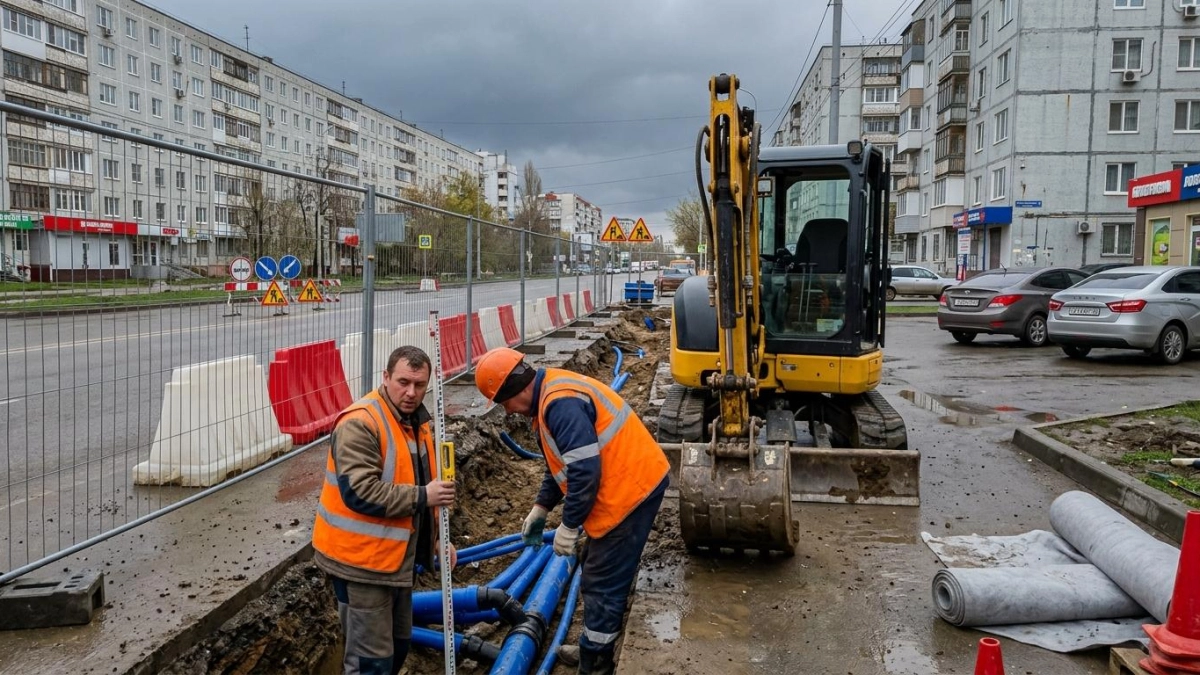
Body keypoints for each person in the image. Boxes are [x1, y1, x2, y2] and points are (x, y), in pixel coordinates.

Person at [474, 347, 670, 675]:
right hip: (627, 484)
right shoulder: (547, 396)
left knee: (602, 580)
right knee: (592, 565)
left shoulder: (559, 404)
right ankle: (594, 648)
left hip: (630, 493)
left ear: (516, 389)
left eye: (504, 402)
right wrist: (541, 507)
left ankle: (595, 665)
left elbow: (584, 472)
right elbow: (560, 464)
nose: (506, 411)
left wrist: (568, 526)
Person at [311, 345, 457, 675]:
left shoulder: (416, 423)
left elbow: (422, 486)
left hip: (395, 562)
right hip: (360, 564)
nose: (411, 392)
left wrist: (436, 539)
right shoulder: (360, 423)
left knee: (399, 645)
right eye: (403, 382)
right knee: (370, 663)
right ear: (386, 377)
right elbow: (360, 492)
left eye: (420, 385)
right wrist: (424, 496)